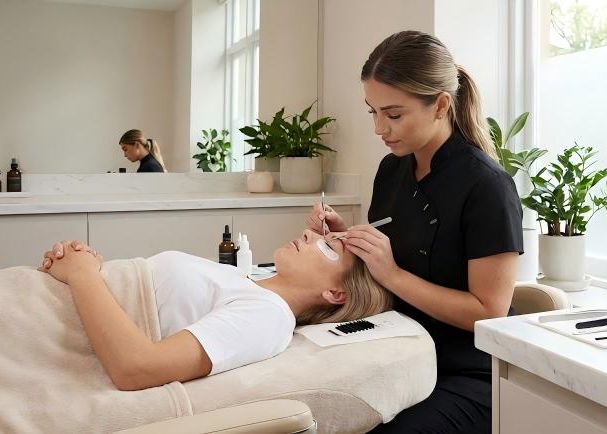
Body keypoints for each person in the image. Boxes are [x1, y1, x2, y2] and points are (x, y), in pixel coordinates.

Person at [308, 30, 523, 433]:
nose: (378, 128)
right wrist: (346, 240)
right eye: (372, 112)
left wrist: (393, 274)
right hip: (401, 351)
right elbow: (393, 251)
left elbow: (488, 311)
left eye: (393, 114)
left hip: (472, 371)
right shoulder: (392, 170)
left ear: (441, 105)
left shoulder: (488, 186)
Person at [38, 230, 392, 391]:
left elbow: (136, 368)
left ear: (335, 293)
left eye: (329, 246)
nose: (309, 235)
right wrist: (94, 267)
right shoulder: (248, 281)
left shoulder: (269, 317)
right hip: (43, 300)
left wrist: (83, 276)